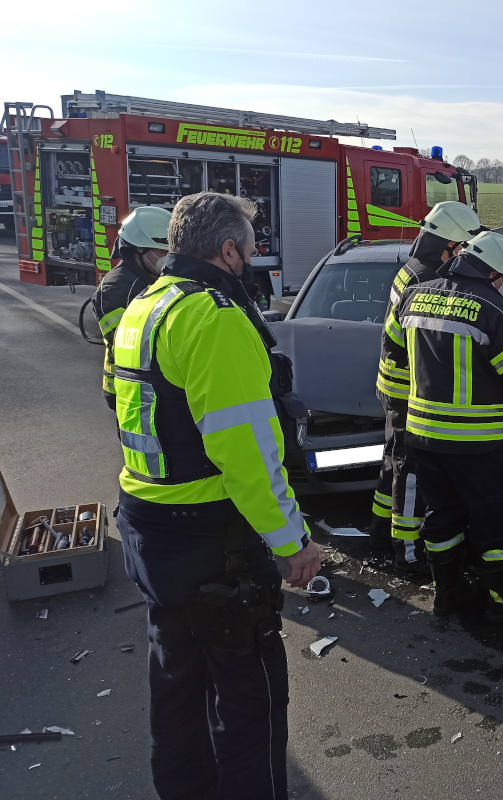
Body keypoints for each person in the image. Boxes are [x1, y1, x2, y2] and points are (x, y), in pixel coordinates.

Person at [112, 192, 322, 799]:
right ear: (229, 250)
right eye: (250, 249)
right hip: (213, 541)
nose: (253, 260)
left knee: (177, 685)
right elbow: (248, 455)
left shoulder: (143, 306)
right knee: (247, 699)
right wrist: (292, 543)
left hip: (149, 527)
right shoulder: (215, 317)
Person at [388, 230, 503, 621]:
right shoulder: (494, 309)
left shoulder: (417, 293)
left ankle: (447, 593)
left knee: (441, 515)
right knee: (496, 518)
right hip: (475, 439)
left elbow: (395, 346)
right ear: (496, 273)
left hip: (422, 433)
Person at [370, 201, 482, 575]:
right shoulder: (426, 280)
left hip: (390, 383)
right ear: (448, 244)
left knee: (392, 460)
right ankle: (407, 549)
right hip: (408, 391)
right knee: (410, 468)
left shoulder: (412, 269)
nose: (462, 255)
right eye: (461, 247)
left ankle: (380, 532)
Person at [91, 206, 171, 410]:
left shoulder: (149, 277)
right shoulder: (115, 290)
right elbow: (132, 347)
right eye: (161, 251)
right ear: (136, 250)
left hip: (149, 387)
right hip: (129, 391)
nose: (166, 256)